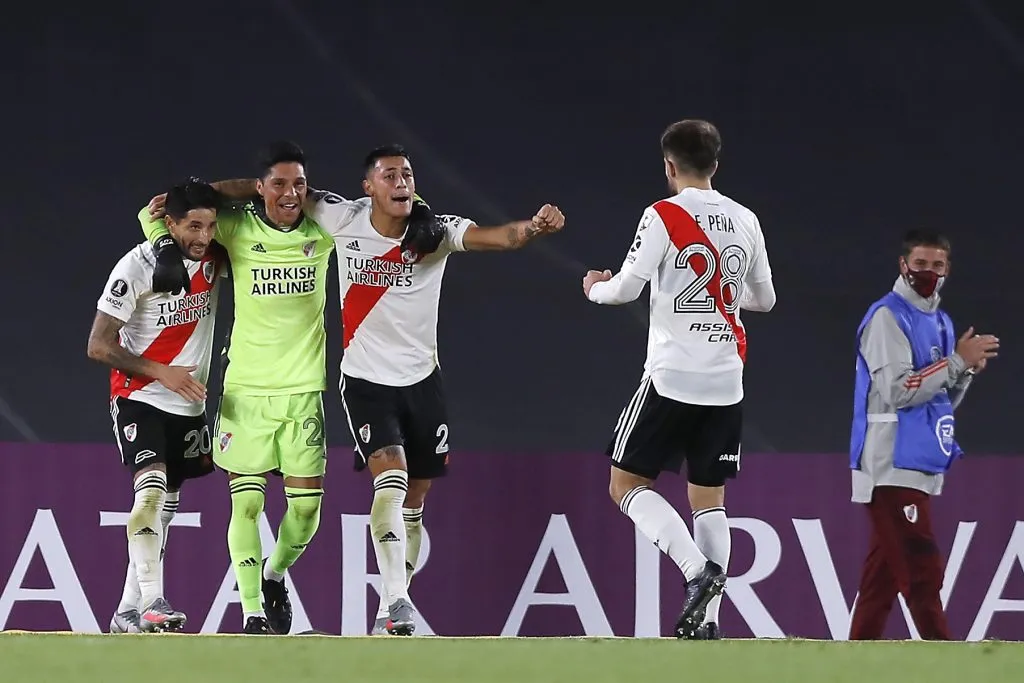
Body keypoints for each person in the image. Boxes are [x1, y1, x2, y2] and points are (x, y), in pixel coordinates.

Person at [300, 144, 565, 635]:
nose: (401, 181)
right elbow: (284, 190)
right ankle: (394, 602)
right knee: (392, 480)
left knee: (415, 501)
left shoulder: (435, 232)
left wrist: (533, 227)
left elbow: (500, 237)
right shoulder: (340, 217)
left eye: (407, 173)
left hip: (423, 382)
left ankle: (395, 610)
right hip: (365, 381)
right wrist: (216, 193)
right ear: (368, 187)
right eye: (389, 174)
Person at [139, 142, 394, 635]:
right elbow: (156, 214)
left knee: (304, 513)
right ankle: (253, 610)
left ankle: (274, 574)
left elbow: (386, 214)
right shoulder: (234, 229)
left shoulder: (326, 227)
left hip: (303, 393)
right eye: (277, 183)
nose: (290, 193)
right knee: (247, 505)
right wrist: (168, 245)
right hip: (247, 392)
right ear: (259, 189)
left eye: (299, 183)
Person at [582, 119, 775, 639]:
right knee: (708, 498)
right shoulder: (746, 219)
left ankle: (698, 572)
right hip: (726, 382)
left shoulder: (663, 215)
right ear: (716, 163)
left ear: (669, 166)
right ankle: (706, 623)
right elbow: (765, 300)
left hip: (671, 378)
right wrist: (725, 297)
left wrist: (595, 287)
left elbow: (625, 289)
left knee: (625, 484)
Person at [87, 179, 223, 633]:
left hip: (187, 404)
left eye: (210, 225)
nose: (202, 237)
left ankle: (128, 610)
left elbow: (256, 191)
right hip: (139, 395)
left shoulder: (216, 256)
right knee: (149, 492)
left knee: (166, 506)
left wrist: (210, 188)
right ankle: (153, 600)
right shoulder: (137, 266)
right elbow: (98, 345)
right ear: (168, 224)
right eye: (192, 226)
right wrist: (160, 371)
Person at [847, 230, 997, 641]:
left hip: (921, 461)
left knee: (881, 581)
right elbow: (897, 390)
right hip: (890, 462)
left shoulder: (943, 322)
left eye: (937, 265)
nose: (928, 272)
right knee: (921, 569)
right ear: (903, 266)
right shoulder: (886, 318)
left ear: (947, 270)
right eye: (920, 264)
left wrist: (962, 370)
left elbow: (940, 401)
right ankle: (943, 655)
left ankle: (856, 661)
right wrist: (954, 363)